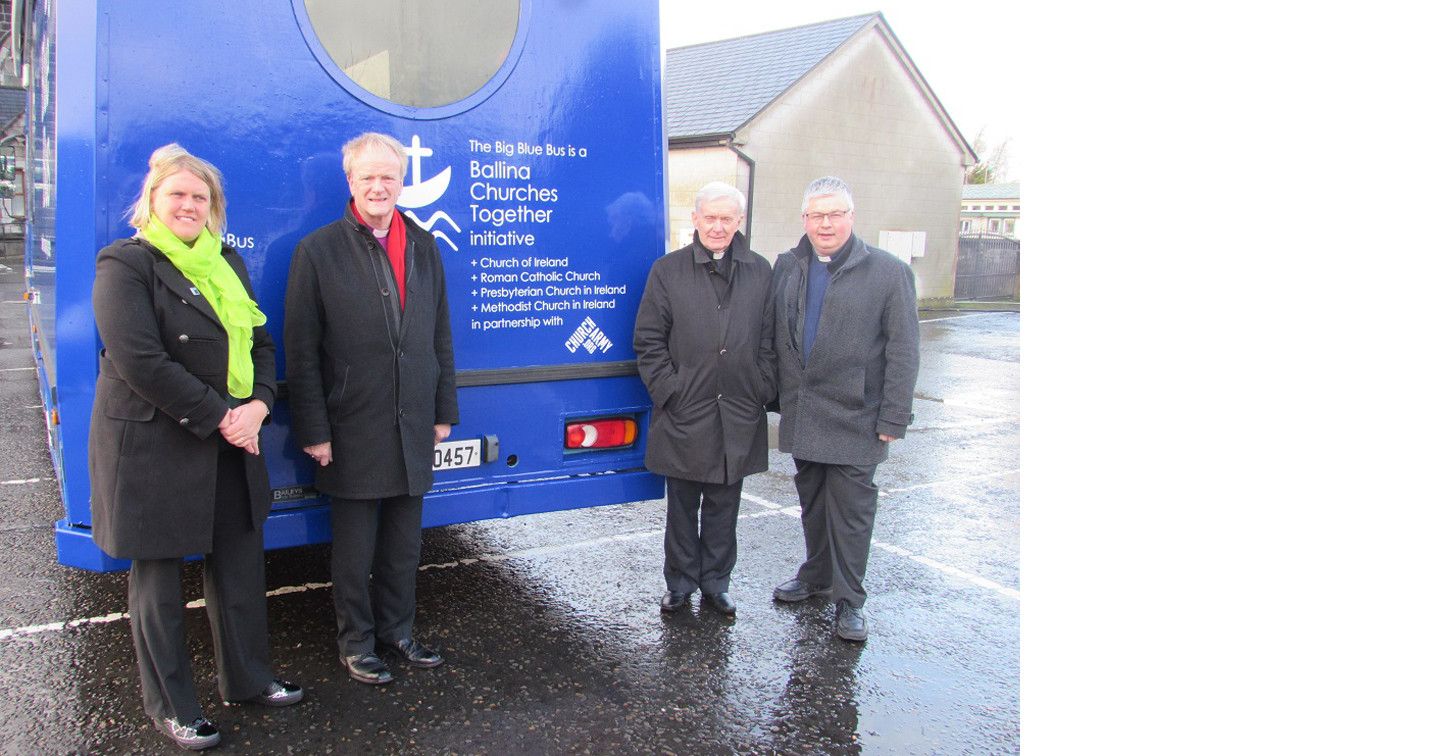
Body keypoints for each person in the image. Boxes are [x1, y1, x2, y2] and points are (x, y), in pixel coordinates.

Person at [89, 144, 302, 751]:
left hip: (233, 434)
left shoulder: (226, 262)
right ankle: (173, 705)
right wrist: (223, 417)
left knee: (239, 563)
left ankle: (248, 678)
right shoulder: (125, 263)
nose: (188, 204)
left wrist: (259, 404)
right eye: (176, 194)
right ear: (152, 201)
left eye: (199, 197)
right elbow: (139, 360)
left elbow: (261, 342)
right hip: (157, 441)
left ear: (214, 210)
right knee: (156, 581)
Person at [284, 132, 459, 685]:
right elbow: (301, 349)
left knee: (404, 544)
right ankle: (357, 643)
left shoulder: (425, 245)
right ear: (351, 182)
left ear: (401, 181)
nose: (378, 186)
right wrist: (314, 428)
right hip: (350, 423)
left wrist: (442, 409)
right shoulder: (318, 250)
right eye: (368, 177)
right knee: (354, 549)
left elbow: (439, 335)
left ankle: (398, 632)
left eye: (388, 176)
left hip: (413, 420)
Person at [769, 176, 920, 642]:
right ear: (805, 220)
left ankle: (850, 600)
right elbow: (775, 334)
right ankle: (816, 575)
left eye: (835, 214)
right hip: (804, 408)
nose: (826, 223)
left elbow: (904, 349)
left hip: (857, 415)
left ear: (851, 217)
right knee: (812, 504)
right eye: (817, 215)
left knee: (852, 514)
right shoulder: (788, 265)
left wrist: (894, 415)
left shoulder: (888, 271)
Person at [634, 182, 776, 616]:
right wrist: (670, 393)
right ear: (694, 220)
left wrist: (761, 389)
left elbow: (769, 341)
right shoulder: (668, 270)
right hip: (685, 410)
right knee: (681, 507)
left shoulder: (760, 270)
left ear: (739, 223)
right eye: (710, 218)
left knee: (724, 507)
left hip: (738, 410)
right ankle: (679, 583)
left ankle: (716, 582)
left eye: (726, 219)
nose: (718, 226)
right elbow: (648, 340)